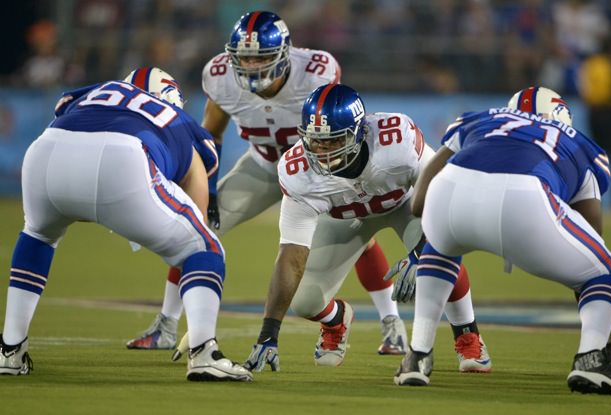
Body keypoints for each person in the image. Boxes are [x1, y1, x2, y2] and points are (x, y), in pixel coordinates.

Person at [127, 11, 408, 356]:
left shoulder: (316, 71)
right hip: (263, 164)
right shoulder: (221, 77)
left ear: (283, 54)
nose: (250, 65)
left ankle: (391, 322)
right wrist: (209, 187)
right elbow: (210, 134)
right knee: (194, 226)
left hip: (318, 171)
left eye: (259, 57)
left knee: (357, 235)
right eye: (243, 57)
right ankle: (166, 324)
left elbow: (334, 121)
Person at [0, 67, 252, 382]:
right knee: (204, 246)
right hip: (123, 160)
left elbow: (63, 106)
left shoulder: (98, 90)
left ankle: (10, 349)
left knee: (38, 234)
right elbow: (197, 205)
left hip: (46, 150)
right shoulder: (180, 122)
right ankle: (203, 351)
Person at [395, 86, 611, 395]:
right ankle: (592, 359)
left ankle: (417, 355)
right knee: (606, 271)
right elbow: (593, 237)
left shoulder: (480, 119)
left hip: (448, 189)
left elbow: (419, 203)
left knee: (441, 245)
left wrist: (437, 227)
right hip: (524, 196)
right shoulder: (580, 143)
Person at [241, 83, 491, 371]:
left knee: (439, 255)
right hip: (344, 219)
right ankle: (336, 322)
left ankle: (468, 334)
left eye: (333, 141)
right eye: (315, 140)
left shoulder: (397, 140)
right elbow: (291, 256)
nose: (321, 151)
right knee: (306, 301)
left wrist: (421, 251)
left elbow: (442, 199)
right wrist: (268, 334)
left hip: (408, 206)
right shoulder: (297, 171)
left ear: (359, 133)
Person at [578, 37, 611, 209]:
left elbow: (584, 90)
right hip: (610, 112)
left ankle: (591, 200)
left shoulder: (589, 64)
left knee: (596, 158)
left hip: (593, 114)